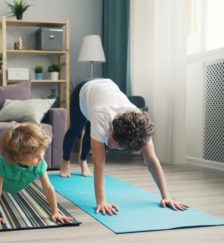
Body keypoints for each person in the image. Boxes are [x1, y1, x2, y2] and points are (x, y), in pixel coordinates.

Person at [60, 78, 189, 215]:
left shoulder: (140, 128)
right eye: (113, 136)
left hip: (104, 91)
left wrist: (166, 196)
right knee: (76, 129)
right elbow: (99, 163)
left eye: (118, 144)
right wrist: (101, 201)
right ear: (114, 126)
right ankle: (65, 162)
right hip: (84, 90)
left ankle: (82, 161)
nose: (110, 143)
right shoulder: (102, 116)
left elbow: (151, 160)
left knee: (93, 133)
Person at [0, 123, 73, 228]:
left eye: (43, 153)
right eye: (36, 156)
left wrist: (55, 212)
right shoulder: (2, 164)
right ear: (20, 156)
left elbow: (48, 187)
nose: (41, 158)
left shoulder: (40, 164)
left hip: (15, 178)